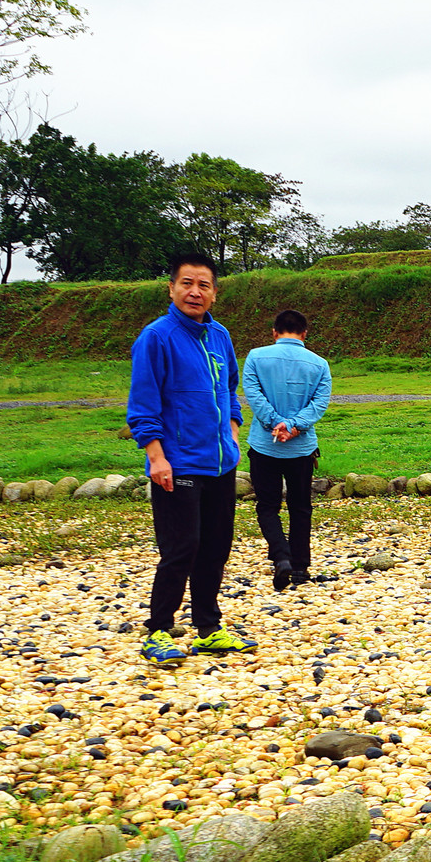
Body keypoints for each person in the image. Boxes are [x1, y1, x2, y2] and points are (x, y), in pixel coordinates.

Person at [126, 251, 256, 664]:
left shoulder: (219, 336)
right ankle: (159, 630)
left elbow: (230, 389)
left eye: (203, 285)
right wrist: (156, 457)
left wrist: (233, 432)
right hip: (177, 463)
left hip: (220, 461)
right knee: (181, 547)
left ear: (214, 293)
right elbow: (143, 404)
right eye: (187, 283)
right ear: (171, 288)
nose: (194, 292)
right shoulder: (157, 337)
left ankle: (208, 629)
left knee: (216, 547)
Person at [240, 308, 333, 592]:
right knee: (300, 507)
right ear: (304, 334)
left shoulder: (255, 357)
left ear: (274, 332)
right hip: (302, 448)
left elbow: (253, 396)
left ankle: (281, 556)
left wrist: (275, 423)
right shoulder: (320, 364)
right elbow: (319, 404)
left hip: (264, 444)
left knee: (267, 506)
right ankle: (300, 567)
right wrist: (293, 425)